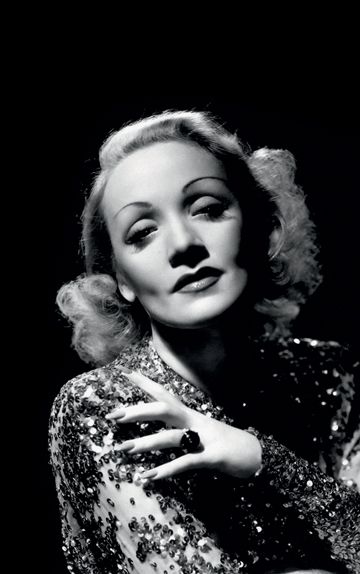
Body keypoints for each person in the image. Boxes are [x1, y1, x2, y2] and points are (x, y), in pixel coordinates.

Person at [48, 110, 360, 574]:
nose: (183, 244)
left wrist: (258, 456)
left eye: (208, 208)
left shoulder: (331, 376)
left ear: (261, 225)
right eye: (143, 232)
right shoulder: (102, 407)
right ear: (121, 280)